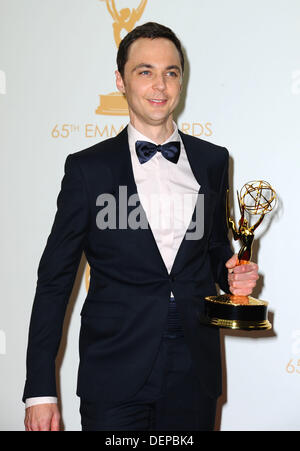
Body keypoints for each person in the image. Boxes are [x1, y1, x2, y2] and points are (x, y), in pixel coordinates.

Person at [23, 22, 259, 431]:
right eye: (145, 71)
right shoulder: (87, 170)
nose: (160, 85)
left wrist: (234, 274)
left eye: (171, 72)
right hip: (114, 372)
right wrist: (40, 389)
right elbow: (54, 281)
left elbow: (217, 247)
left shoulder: (213, 160)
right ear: (121, 80)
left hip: (194, 370)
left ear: (181, 80)